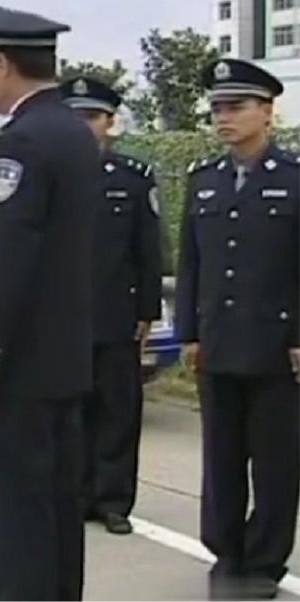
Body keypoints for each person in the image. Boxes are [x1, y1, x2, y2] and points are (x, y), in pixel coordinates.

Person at [0, 5, 99, 599]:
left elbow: (6, 266)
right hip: (62, 363)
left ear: (2, 63)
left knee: (13, 523)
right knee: (57, 515)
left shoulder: (22, 142)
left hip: (16, 372)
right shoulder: (74, 132)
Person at [177, 58, 299, 601]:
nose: (223, 117)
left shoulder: (293, 178)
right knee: (222, 458)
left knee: (275, 463)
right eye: (217, 109)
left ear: (267, 112)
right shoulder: (205, 179)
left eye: (236, 107)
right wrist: (190, 332)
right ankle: (226, 551)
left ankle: (264, 562)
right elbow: (191, 265)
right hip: (220, 342)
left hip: (278, 348)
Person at [59, 77, 163, 536]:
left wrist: (147, 311)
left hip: (117, 314)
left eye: (92, 117)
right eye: (76, 117)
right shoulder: (51, 173)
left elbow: (149, 249)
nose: (84, 126)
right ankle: (75, 496)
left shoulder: (133, 178)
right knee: (71, 411)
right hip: (63, 317)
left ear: (109, 123)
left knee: (118, 410)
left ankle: (114, 500)